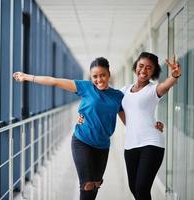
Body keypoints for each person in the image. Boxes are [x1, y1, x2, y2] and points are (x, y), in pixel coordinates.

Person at [13, 57, 164, 200]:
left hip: (102, 146)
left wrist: (151, 125)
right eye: (95, 76)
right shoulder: (85, 87)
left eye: (102, 75)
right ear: (91, 77)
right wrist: (27, 77)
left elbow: (131, 120)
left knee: (95, 186)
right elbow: (54, 82)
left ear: (109, 74)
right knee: (87, 185)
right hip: (82, 141)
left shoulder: (118, 96)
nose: (99, 80)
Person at [78, 52, 181, 200]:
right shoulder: (124, 91)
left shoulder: (154, 90)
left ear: (154, 71)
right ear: (135, 67)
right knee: (134, 188)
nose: (143, 70)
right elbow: (104, 102)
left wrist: (175, 76)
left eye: (149, 68)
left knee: (142, 188)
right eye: (141, 66)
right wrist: (83, 116)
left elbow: (166, 85)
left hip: (151, 143)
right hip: (131, 145)